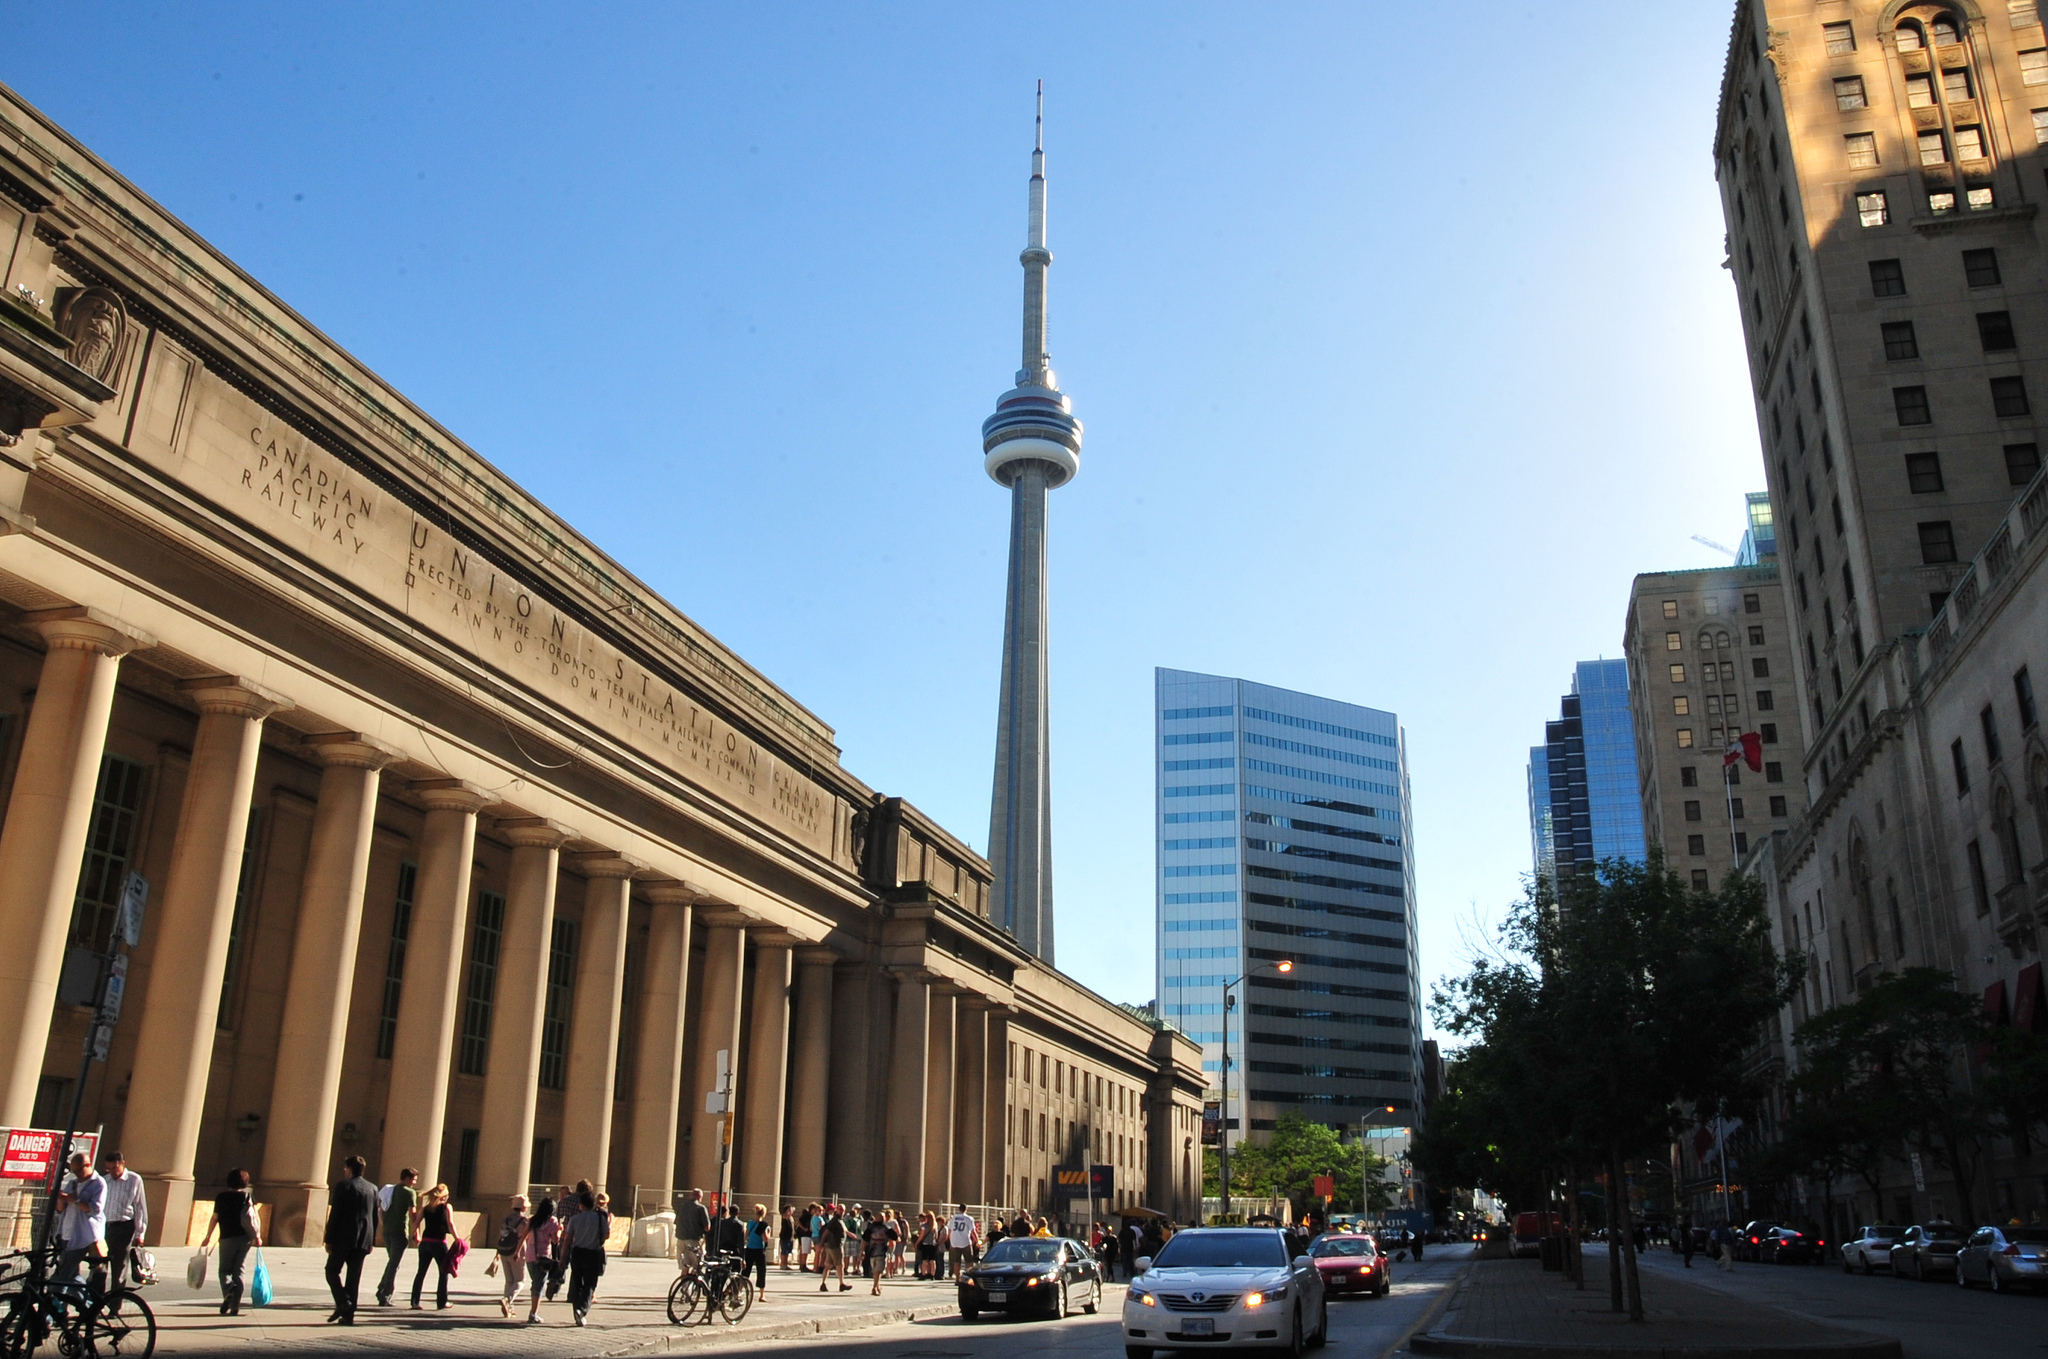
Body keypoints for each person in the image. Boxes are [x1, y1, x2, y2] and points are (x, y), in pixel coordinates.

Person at [323, 1155, 378, 1324]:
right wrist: (372, 1241)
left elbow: (336, 1214)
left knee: (331, 1270)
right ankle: (348, 1315)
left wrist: (328, 1238)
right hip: (364, 1239)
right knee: (354, 1278)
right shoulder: (373, 1188)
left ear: (349, 1168)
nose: (344, 1171)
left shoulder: (343, 1186)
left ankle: (342, 1301)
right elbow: (375, 1217)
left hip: (343, 1237)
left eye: (345, 1168)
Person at [200, 1167, 260, 1316]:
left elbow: (215, 1218)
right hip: (245, 1238)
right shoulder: (248, 1197)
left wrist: (208, 1236)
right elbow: (253, 1218)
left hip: (227, 1237)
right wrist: (256, 1236)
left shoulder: (222, 1197)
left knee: (224, 1270)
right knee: (239, 1269)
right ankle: (235, 1306)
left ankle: (229, 1290)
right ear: (245, 1182)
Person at [55, 1151, 105, 1302]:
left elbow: (95, 1209)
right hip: (66, 1233)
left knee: (61, 1277)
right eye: (73, 1171)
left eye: (78, 1170)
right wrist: (61, 1200)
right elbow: (60, 1209)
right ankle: (88, 1306)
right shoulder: (73, 1183)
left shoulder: (98, 1183)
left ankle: (48, 1315)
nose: (76, 1174)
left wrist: (75, 1200)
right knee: (72, 1277)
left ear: (88, 1165)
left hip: (83, 1236)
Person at [99, 1151, 148, 1289]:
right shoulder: (104, 1180)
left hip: (123, 1227)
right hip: (104, 1226)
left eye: (115, 1168)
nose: (112, 1172)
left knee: (119, 1266)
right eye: (109, 1169)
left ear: (122, 1164)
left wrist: (140, 1233)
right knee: (99, 1266)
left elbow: (140, 1207)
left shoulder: (134, 1180)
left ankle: (115, 1305)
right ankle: (96, 1304)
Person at [564, 1190, 610, 1327]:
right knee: (590, 1284)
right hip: (593, 1252)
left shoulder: (575, 1219)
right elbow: (606, 1235)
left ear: (581, 1205)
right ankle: (582, 1309)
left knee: (577, 1282)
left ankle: (576, 1310)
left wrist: (563, 1258)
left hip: (577, 1252)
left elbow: (567, 1239)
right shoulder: (600, 1218)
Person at [374, 1168, 419, 1305]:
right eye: (413, 1179)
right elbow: (413, 1214)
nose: (415, 1182)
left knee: (393, 1262)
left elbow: (381, 1209)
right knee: (394, 1263)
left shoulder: (390, 1190)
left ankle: (383, 1288)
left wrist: (382, 1224)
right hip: (400, 1231)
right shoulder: (409, 1192)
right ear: (406, 1178)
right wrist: (416, 1232)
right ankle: (384, 1292)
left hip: (388, 1230)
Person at [410, 1183, 456, 1309]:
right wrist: (457, 1238)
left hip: (425, 1242)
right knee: (443, 1271)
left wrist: (413, 1235)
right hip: (439, 1243)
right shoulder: (446, 1207)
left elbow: (416, 1222)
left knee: (421, 1272)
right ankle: (442, 1301)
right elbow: (450, 1223)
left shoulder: (425, 1208)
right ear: (444, 1196)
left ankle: (415, 1301)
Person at [523, 1198, 560, 1324]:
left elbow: (523, 1236)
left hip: (530, 1256)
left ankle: (534, 1311)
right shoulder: (552, 1221)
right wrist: (559, 1231)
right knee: (539, 1286)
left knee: (535, 1282)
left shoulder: (532, 1220)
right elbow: (555, 1240)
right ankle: (533, 1314)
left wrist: (517, 1252)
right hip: (544, 1257)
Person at [494, 1195, 531, 1317]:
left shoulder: (506, 1219)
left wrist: (497, 1253)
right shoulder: (525, 1221)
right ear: (524, 1208)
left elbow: (501, 1235)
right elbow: (528, 1237)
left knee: (509, 1280)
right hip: (518, 1251)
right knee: (520, 1280)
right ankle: (507, 1299)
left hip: (504, 1250)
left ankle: (509, 1308)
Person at [863, 1208, 897, 1296]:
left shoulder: (870, 1228)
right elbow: (895, 1236)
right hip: (880, 1251)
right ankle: (875, 1287)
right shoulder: (886, 1228)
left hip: (872, 1252)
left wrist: (862, 1251)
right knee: (878, 1271)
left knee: (876, 1271)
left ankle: (877, 1286)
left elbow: (864, 1240)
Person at [676, 1188, 710, 1273]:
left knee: (684, 1267)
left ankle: (683, 1284)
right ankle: (694, 1282)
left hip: (680, 1240)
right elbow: (707, 1227)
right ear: (700, 1197)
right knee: (697, 1265)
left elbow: (676, 1221)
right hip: (694, 1240)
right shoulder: (701, 1208)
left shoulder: (681, 1206)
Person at [817, 1203, 849, 1292]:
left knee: (828, 1265)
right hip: (835, 1245)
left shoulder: (840, 1220)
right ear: (836, 1210)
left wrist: (850, 1234)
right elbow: (826, 1232)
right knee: (839, 1265)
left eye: (842, 1209)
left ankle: (823, 1283)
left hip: (832, 1245)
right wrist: (821, 1243)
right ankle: (842, 1284)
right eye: (839, 1209)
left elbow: (845, 1230)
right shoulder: (835, 1221)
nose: (841, 1211)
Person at [946, 1204, 978, 1282]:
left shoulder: (953, 1218)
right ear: (966, 1209)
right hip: (965, 1241)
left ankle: (957, 1278)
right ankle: (968, 1278)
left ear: (959, 1209)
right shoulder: (969, 1218)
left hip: (955, 1242)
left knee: (956, 1262)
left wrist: (950, 1240)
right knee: (969, 1261)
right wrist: (976, 1240)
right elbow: (973, 1231)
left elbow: (950, 1230)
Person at [744, 1204, 770, 1293]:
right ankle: (762, 1294)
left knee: (746, 1271)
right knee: (761, 1272)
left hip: (749, 1249)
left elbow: (746, 1235)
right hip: (759, 1250)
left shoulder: (750, 1223)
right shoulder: (763, 1225)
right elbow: (765, 1238)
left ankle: (739, 1289)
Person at [779, 1205, 796, 1271]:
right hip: (784, 1236)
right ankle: (783, 1264)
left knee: (788, 1251)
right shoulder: (785, 1217)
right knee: (784, 1251)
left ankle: (785, 1263)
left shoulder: (791, 1218)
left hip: (790, 1237)